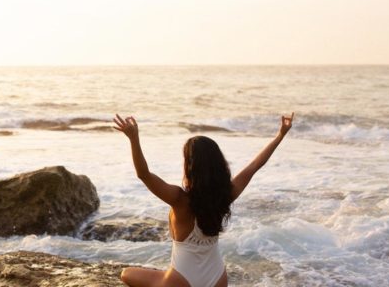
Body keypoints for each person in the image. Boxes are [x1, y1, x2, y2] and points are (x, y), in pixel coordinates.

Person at [113, 113, 294, 287]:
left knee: (126, 273)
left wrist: (133, 138)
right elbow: (255, 166)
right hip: (217, 279)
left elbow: (143, 174)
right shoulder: (225, 195)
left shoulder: (179, 199)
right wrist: (280, 135)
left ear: (190, 166)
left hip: (181, 281)